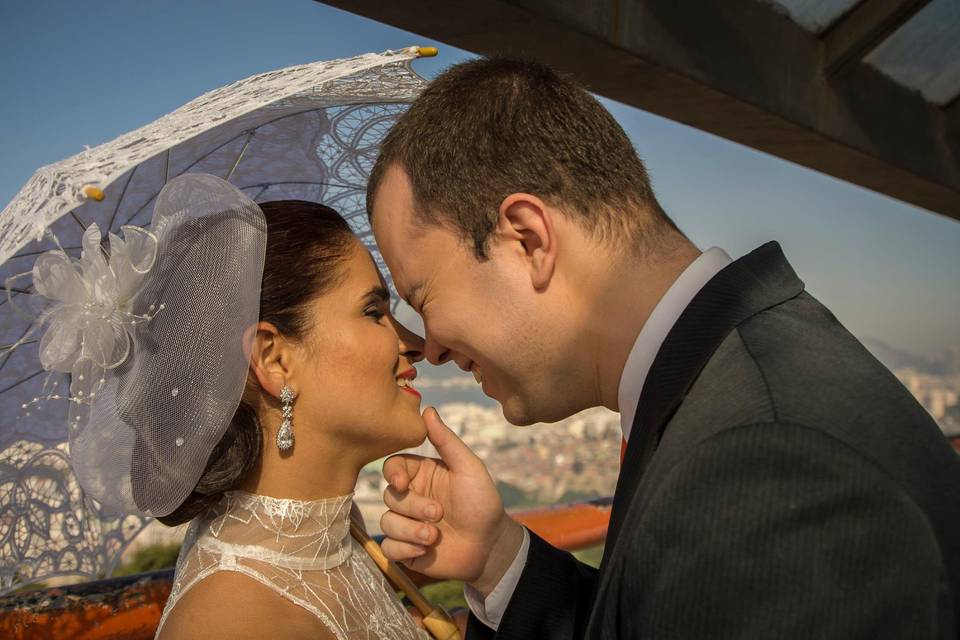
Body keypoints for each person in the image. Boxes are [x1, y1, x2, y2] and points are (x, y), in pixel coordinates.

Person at [367, 57, 960, 638]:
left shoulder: (765, 465)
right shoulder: (729, 390)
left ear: (527, 238)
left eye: (422, 298)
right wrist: (499, 557)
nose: (432, 347)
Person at [26, 173, 432, 639]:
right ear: (274, 359)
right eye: (374, 312)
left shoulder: (338, 536)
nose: (417, 343)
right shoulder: (235, 623)